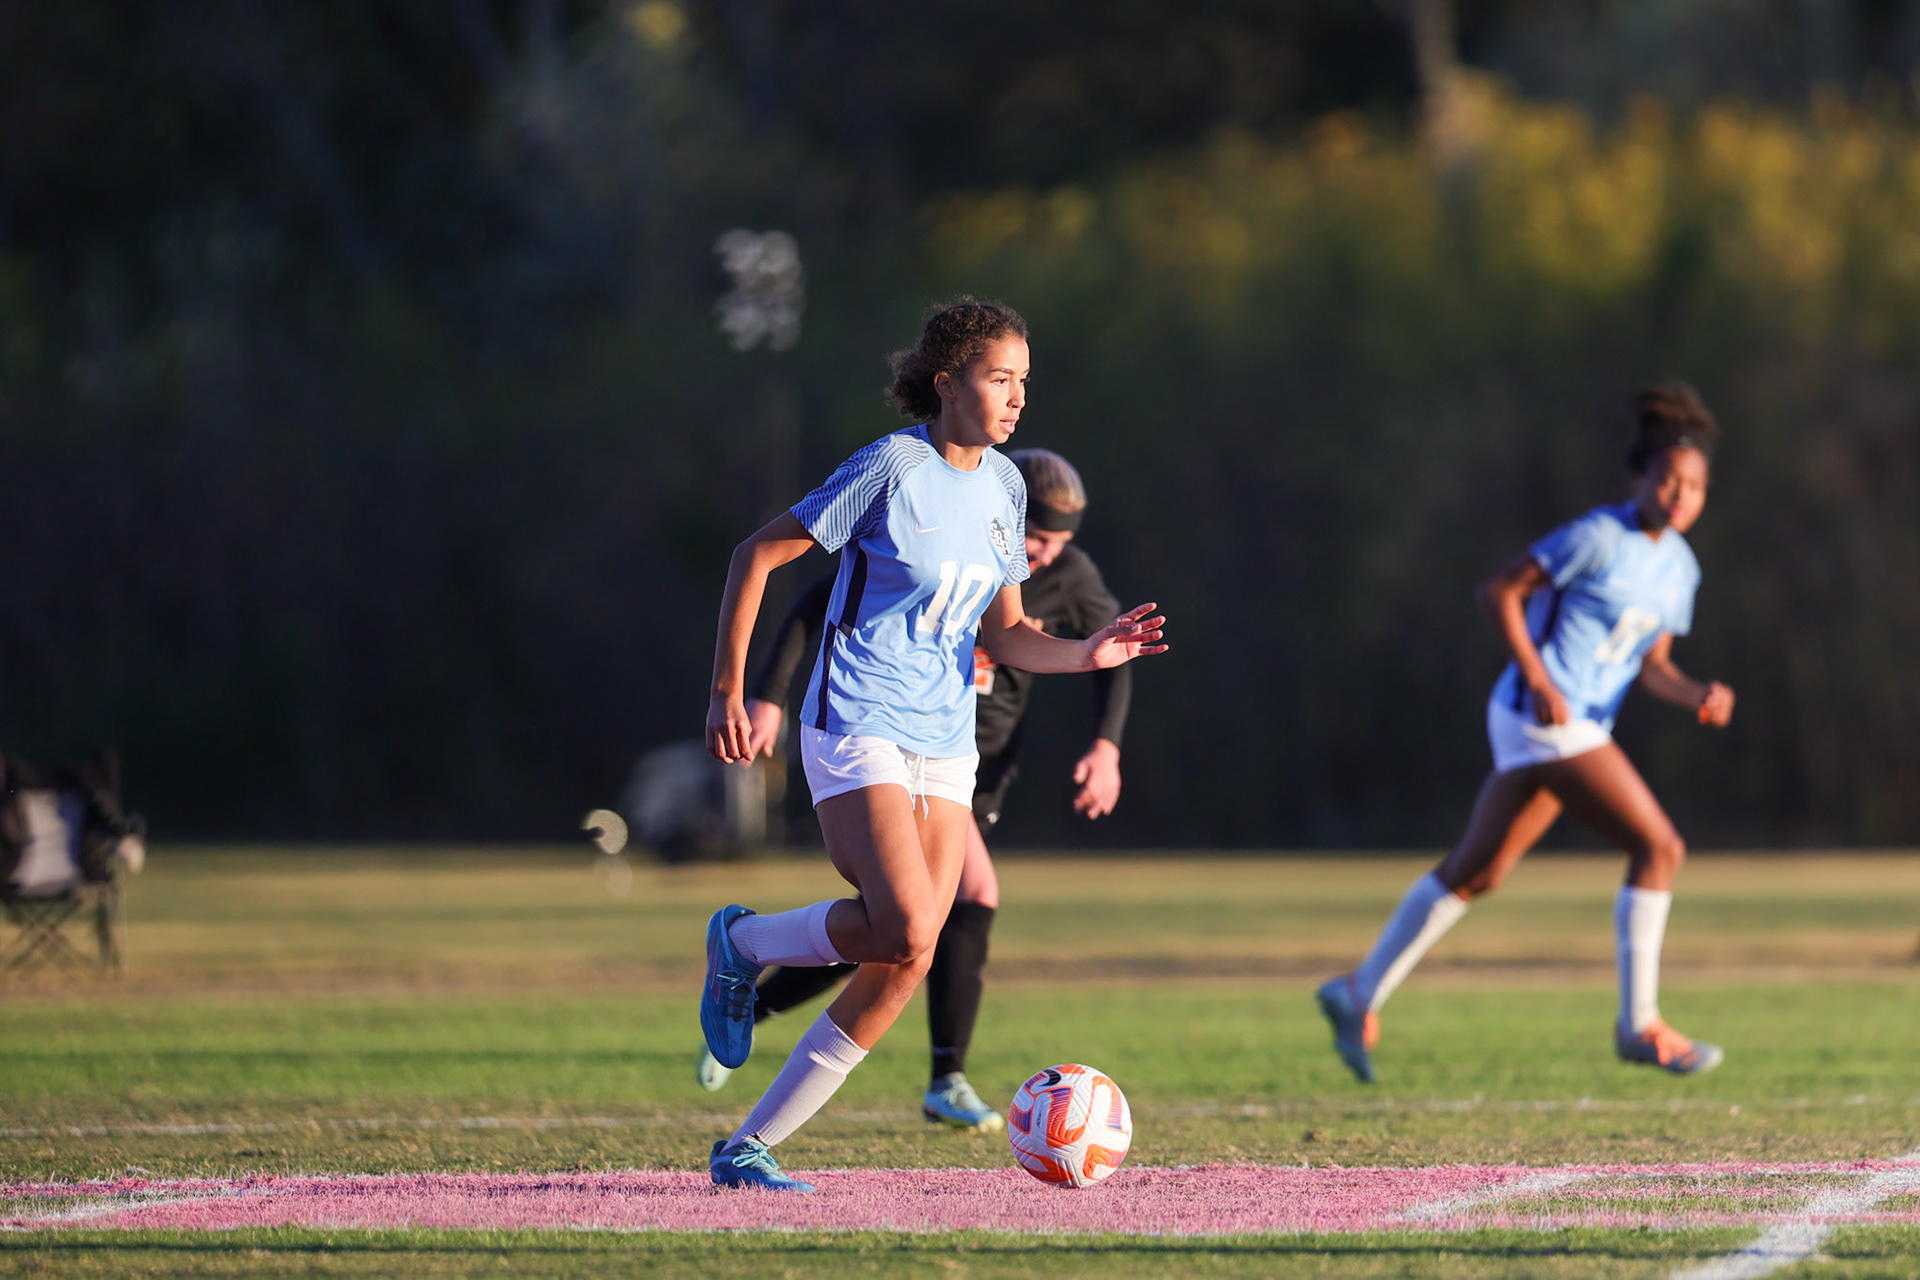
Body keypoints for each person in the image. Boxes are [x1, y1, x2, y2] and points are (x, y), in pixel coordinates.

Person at [699, 298, 1168, 1190]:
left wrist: (1085, 653)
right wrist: (730, 690)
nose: (1017, 397)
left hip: (948, 743)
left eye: (1025, 381)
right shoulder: (889, 468)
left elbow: (1009, 633)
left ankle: (748, 1146)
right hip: (858, 723)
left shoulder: (1005, 487)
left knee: (908, 953)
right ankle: (746, 944)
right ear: (947, 382)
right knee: (909, 923)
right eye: (1001, 379)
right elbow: (754, 560)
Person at [1317, 383, 1736, 1083]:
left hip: (1573, 725)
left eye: (1693, 484)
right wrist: (1540, 678)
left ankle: (1357, 992)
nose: (1679, 494)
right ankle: (1640, 1025)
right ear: (1638, 477)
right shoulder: (1599, 536)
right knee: (1660, 846)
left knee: (1479, 873)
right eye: (1666, 478)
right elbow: (1498, 591)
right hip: (1542, 718)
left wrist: (1696, 693)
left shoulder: (1681, 568)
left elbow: (1652, 662)